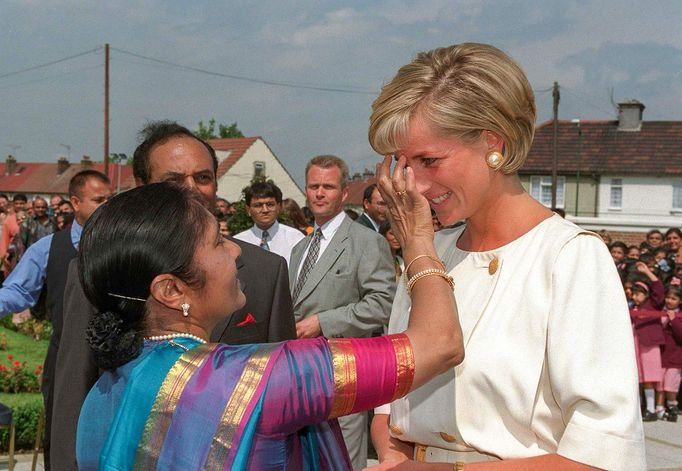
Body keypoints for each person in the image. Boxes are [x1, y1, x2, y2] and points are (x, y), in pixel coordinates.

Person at [367, 42, 644, 469]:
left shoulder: (567, 258)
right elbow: (392, 402)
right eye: (403, 163)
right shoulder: (429, 251)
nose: (415, 185)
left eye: (429, 160)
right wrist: (391, 453)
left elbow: (605, 455)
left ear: (493, 142)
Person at [75, 182, 464, 470]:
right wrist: (418, 243)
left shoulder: (101, 395)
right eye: (216, 242)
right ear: (171, 290)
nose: (236, 249)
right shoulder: (260, 380)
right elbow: (440, 344)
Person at [51, 121, 296, 471]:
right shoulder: (98, 271)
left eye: (203, 177)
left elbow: (287, 397)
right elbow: (74, 394)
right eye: (173, 181)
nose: (191, 190)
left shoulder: (264, 270)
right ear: (141, 187)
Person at [289, 154, 396, 469]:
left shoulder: (366, 241)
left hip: (342, 377)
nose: (320, 193)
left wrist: (323, 322)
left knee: (341, 463)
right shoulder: (299, 249)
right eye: (313, 186)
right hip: (299, 378)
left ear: (345, 192)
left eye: (328, 186)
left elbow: (383, 302)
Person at [0, 171, 112, 470]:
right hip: (65, 358)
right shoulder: (48, 248)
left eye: (109, 199)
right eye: (98, 200)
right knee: (62, 439)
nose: (106, 206)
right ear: (75, 202)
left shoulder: (120, 246)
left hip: (115, 361)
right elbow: (17, 292)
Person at [234, 181, 304, 266]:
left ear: (279, 207)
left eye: (270, 204)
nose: (265, 210)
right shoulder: (238, 242)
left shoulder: (296, 238)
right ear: (248, 210)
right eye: (258, 205)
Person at [656, 286, 682, 421]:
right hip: (662, 354)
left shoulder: (679, 315)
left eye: (674, 298)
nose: (670, 301)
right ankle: (659, 408)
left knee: (671, 384)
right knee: (659, 383)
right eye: (668, 297)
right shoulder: (661, 312)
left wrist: (673, 320)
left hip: (676, 357)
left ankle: (672, 406)